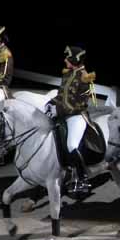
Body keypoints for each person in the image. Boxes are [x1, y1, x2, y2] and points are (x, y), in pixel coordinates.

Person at [45, 45, 97, 195]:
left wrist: (59, 110)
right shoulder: (67, 74)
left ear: (74, 59)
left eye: (67, 58)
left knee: (72, 145)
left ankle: (83, 178)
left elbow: (80, 104)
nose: (65, 60)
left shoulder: (86, 77)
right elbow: (61, 95)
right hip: (62, 114)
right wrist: (51, 103)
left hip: (76, 116)